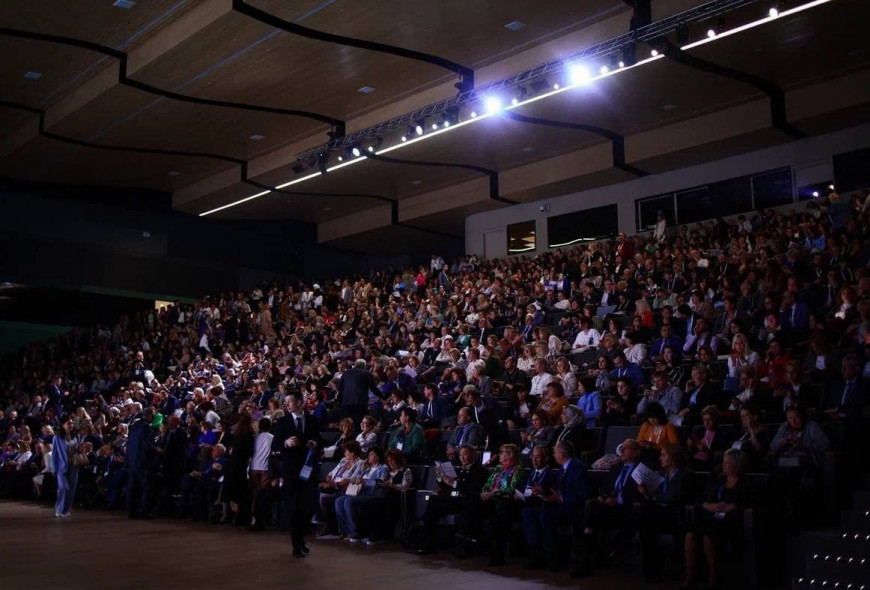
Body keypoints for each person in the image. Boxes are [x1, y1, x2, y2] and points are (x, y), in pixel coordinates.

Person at [684, 450, 752, 590]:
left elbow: (750, 502)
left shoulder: (746, 482)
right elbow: (701, 499)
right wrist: (708, 506)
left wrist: (731, 507)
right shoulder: (719, 479)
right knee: (690, 534)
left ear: (736, 464)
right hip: (712, 516)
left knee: (709, 534)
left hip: (731, 521)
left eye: (726, 463)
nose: (723, 465)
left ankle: (714, 578)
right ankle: (691, 578)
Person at [521, 441, 589, 574]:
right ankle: (536, 553)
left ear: (561, 454)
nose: (553, 455)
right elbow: (558, 490)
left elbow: (583, 494)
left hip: (573, 508)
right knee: (528, 512)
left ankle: (553, 558)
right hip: (559, 505)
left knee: (545, 515)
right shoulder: (563, 468)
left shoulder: (577, 467)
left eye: (555, 452)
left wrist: (560, 497)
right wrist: (544, 492)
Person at [270, 391, 322, 558]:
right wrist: (286, 443)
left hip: (308, 469)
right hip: (291, 471)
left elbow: (320, 440)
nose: (287, 404)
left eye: (290, 401)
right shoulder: (283, 421)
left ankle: (301, 538)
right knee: (293, 507)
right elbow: (275, 444)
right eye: (285, 402)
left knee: (307, 506)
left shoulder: (312, 420)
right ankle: (296, 544)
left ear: (299, 402)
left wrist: (315, 443)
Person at [417, 444, 487, 555]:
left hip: (468, 502)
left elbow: (471, 489)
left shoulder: (479, 470)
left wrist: (453, 483)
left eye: (465, 454)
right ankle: (426, 542)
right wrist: (440, 477)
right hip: (456, 500)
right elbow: (448, 488)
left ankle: (425, 528)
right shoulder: (460, 469)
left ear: (473, 455)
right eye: (460, 455)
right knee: (434, 501)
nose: (462, 457)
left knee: (438, 506)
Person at [583, 439, 643, 566]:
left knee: (592, 511)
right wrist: (604, 497)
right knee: (591, 505)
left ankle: (590, 551)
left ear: (636, 452)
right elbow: (607, 489)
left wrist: (617, 500)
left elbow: (640, 496)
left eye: (626, 448)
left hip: (627, 510)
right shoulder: (616, 468)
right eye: (622, 447)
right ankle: (594, 548)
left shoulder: (642, 470)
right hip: (609, 508)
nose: (621, 450)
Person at [638, 444, 692, 583]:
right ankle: (651, 572)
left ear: (673, 458)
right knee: (645, 522)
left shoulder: (685, 474)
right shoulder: (662, 474)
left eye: (664, 455)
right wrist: (646, 492)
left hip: (676, 515)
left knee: (645, 519)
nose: (660, 458)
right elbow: (656, 497)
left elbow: (674, 497)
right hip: (660, 515)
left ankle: (653, 571)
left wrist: (654, 497)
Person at [480, 444, 525, 566]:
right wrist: (484, 492)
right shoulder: (498, 468)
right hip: (492, 500)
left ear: (510, 455)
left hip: (508, 502)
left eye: (502, 452)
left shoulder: (518, 469)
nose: (499, 455)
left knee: (500, 515)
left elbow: (512, 489)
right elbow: (488, 484)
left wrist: (495, 493)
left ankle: (498, 555)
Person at [335, 445, 390, 542]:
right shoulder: (368, 468)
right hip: (362, 493)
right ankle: (345, 531)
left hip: (373, 495)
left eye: (372, 454)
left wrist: (365, 481)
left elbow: (381, 482)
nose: (369, 456)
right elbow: (356, 479)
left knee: (348, 501)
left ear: (378, 456)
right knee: (339, 501)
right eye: (369, 454)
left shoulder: (383, 468)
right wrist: (362, 470)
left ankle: (354, 532)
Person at [316, 440, 364, 539]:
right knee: (320, 496)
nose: (344, 453)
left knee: (328, 499)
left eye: (346, 451)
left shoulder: (359, 463)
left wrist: (334, 484)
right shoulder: (343, 460)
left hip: (344, 490)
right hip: (334, 488)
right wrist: (329, 479)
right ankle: (329, 525)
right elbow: (331, 473)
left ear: (352, 452)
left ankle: (340, 529)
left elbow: (351, 479)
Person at [126, 407, 157, 520]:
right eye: (153, 415)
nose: (154, 417)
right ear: (149, 415)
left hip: (132, 460)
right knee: (146, 487)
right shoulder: (146, 427)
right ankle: (143, 512)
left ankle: (131, 512)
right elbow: (146, 445)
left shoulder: (135, 425)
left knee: (132, 487)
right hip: (142, 461)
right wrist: (156, 450)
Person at [336, 359, 381, 427]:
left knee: (348, 423)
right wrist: (383, 397)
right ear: (364, 366)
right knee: (359, 423)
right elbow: (373, 388)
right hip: (360, 403)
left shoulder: (346, 373)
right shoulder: (367, 373)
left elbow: (339, 387)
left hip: (347, 402)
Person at [688, 406, 731, 471]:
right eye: (704, 420)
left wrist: (705, 450)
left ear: (715, 419)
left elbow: (719, 455)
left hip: (709, 463)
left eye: (709, 419)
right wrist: (690, 445)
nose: (706, 422)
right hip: (694, 461)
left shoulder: (722, 433)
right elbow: (691, 451)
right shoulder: (698, 430)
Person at [51, 414, 78, 518]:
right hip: (61, 467)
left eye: (71, 423)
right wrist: (53, 468)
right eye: (68, 423)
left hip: (74, 465)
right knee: (63, 488)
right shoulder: (57, 437)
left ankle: (66, 510)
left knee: (71, 490)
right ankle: (59, 509)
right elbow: (54, 454)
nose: (71, 425)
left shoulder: (75, 436)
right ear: (63, 425)